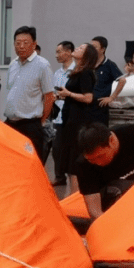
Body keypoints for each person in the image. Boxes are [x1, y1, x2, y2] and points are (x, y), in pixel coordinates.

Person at [74, 122, 134, 218]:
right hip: (112, 201)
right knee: (123, 187)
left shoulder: (133, 133)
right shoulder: (83, 164)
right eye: (91, 160)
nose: (97, 162)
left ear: (111, 140)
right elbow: (94, 210)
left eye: (101, 156)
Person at [54, 42, 100, 191]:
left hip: (78, 123)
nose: (77, 48)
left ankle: (76, 199)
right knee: (69, 164)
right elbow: (74, 96)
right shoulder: (76, 72)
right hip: (70, 121)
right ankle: (73, 197)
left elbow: (88, 98)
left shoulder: (86, 72)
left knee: (75, 164)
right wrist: (62, 96)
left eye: (81, 48)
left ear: (86, 55)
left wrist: (68, 94)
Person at [3, 26, 55, 154]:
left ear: (34, 44)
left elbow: (49, 97)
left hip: (30, 125)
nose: (21, 46)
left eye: (25, 43)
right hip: (10, 123)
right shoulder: (13, 64)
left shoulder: (42, 65)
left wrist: (41, 121)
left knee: (30, 163)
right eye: (18, 43)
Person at [50, 40, 76, 185]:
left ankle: (72, 176)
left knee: (71, 148)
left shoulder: (77, 71)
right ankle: (59, 177)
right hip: (58, 116)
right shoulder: (57, 73)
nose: (56, 55)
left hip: (71, 115)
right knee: (57, 148)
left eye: (59, 52)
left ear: (68, 52)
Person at [90, 36, 122, 123]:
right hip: (86, 106)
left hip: (100, 108)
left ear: (102, 49)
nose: (91, 49)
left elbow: (122, 80)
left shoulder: (109, 65)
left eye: (94, 47)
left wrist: (112, 97)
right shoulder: (89, 64)